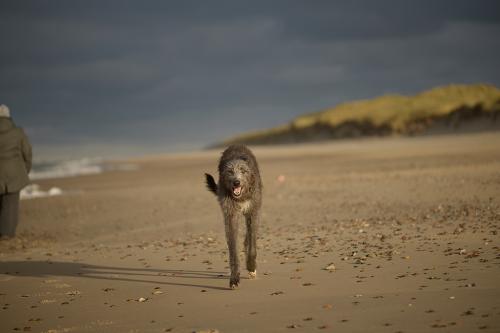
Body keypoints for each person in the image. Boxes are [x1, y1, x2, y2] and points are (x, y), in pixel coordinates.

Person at [0, 105, 32, 238]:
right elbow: (27, 154)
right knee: (11, 205)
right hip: (14, 173)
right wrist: (25, 171)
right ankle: (7, 233)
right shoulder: (18, 132)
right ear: (9, 116)